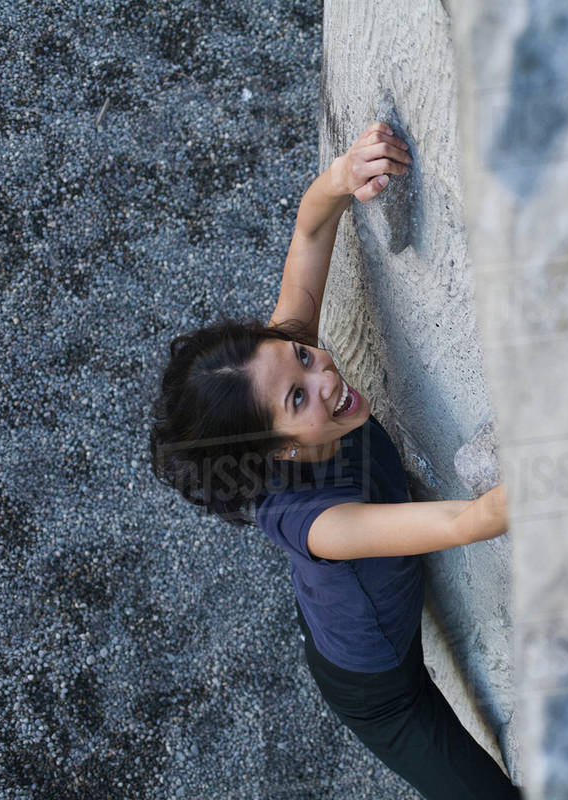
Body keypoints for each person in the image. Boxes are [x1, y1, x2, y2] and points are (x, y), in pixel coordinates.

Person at [148, 122, 522, 799]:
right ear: (281, 449)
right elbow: (468, 522)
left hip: (343, 611)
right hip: (382, 690)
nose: (321, 371)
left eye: (299, 353)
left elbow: (312, 233)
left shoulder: (284, 383)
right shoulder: (326, 527)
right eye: (299, 394)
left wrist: (344, 175)